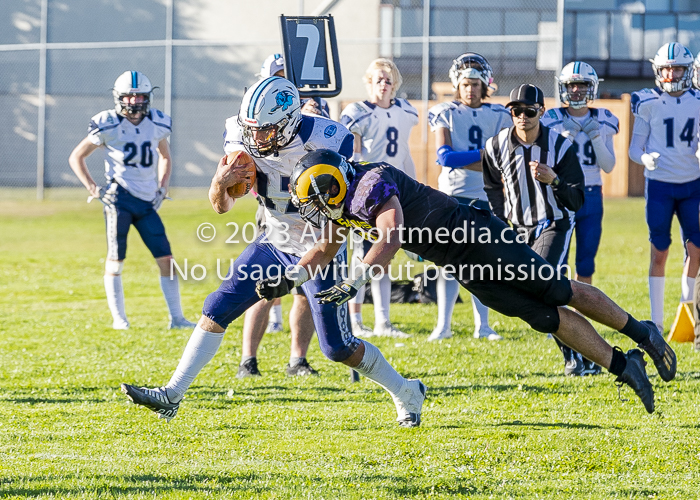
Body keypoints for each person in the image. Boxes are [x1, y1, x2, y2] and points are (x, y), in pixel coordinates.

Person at [268, 147, 678, 415]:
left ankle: (644, 333)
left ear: (334, 183)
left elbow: (391, 235)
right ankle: (625, 366)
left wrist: (355, 283)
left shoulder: (371, 182)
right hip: (461, 264)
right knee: (545, 318)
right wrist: (290, 278)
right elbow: (324, 248)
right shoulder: (339, 202)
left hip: (478, 239)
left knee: (558, 290)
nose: (318, 209)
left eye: (319, 199)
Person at [121, 77, 426, 427]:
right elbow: (221, 206)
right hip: (273, 240)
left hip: (320, 245)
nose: (256, 139)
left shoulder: (327, 139)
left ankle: (406, 391)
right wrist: (219, 183)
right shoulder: (241, 136)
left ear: (288, 122)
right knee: (216, 307)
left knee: (337, 347)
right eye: (252, 130)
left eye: (265, 131)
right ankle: (172, 395)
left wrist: (308, 263)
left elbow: (338, 219)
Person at [68, 71, 195, 331]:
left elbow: (165, 157)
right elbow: (76, 157)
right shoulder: (107, 123)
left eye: (140, 96)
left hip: (147, 201)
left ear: (148, 97)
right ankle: (120, 320)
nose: (135, 101)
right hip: (119, 199)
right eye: (129, 96)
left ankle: (177, 318)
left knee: (167, 259)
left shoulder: (158, 122)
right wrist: (94, 188)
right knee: (116, 260)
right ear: (119, 97)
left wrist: (162, 187)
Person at [483, 83, 596, 376]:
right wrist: (500, 222)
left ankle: (576, 357)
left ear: (542, 112)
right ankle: (587, 354)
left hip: (553, 224)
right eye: (516, 111)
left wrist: (554, 181)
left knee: (545, 288)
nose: (522, 117)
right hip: (516, 228)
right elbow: (492, 186)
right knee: (540, 292)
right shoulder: (494, 145)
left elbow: (577, 199)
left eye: (529, 111)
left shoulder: (560, 146)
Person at [236, 53, 329, 377]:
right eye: (276, 74)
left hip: (312, 218)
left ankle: (297, 359)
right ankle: (249, 359)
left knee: (305, 289)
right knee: (262, 287)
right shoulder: (255, 118)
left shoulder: (314, 115)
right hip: (275, 210)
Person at [426, 52, 511, 342]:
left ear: (485, 84)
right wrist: (487, 157)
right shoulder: (445, 111)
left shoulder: (498, 114)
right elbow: (445, 157)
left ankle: (483, 325)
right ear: (456, 85)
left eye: (475, 83)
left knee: (482, 262)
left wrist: (482, 159)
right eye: (465, 83)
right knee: (449, 263)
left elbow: (504, 159)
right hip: (452, 195)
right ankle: (443, 324)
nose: (470, 89)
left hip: (486, 196)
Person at [340, 58, 418, 338]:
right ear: (369, 82)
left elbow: (405, 152)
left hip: (395, 190)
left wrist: (414, 182)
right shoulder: (358, 112)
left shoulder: (405, 111)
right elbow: (354, 155)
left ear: (395, 84)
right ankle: (356, 320)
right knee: (362, 257)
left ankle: (384, 321)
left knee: (385, 256)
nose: (384, 85)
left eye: (388, 80)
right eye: (379, 80)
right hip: (367, 192)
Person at [629, 42, 700, 333]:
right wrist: (645, 158)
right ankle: (656, 320)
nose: (671, 73)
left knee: (695, 250)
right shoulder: (647, 101)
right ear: (658, 70)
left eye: (677, 68)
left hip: (692, 185)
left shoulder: (698, 100)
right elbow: (634, 150)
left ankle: (687, 311)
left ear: (688, 70)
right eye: (667, 68)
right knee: (659, 251)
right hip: (659, 186)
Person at [542, 62, 618, 286]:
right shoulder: (551, 118)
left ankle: (581, 315)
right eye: (571, 85)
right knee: (559, 259)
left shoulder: (604, 118)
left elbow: (608, 166)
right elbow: (550, 164)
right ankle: (560, 310)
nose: (576, 90)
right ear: (563, 87)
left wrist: (595, 137)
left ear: (592, 87)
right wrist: (568, 138)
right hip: (561, 192)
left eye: (582, 85)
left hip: (592, 193)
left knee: (586, 261)